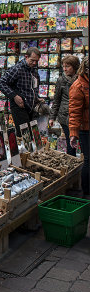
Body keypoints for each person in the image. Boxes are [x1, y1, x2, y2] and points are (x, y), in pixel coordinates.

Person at [0, 47, 43, 136]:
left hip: (31, 107)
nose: (34, 63)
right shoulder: (17, 69)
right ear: (26, 57)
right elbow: (1, 83)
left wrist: (36, 98)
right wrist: (14, 96)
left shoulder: (34, 71)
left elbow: (32, 89)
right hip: (19, 107)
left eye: (36, 61)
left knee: (31, 135)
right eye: (32, 60)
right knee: (25, 136)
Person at [49, 55, 80, 157]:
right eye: (64, 66)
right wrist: (52, 117)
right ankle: (72, 166)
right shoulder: (61, 80)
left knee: (81, 143)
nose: (65, 69)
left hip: (78, 115)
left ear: (75, 67)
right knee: (70, 143)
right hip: (65, 116)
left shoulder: (81, 79)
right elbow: (56, 100)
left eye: (68, 66)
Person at [69, 56, 89, 197]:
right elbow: (74, 112)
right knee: (88, 160)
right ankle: (87, 192)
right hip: (86, 129)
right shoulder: (78, 86)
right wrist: (73, 133)